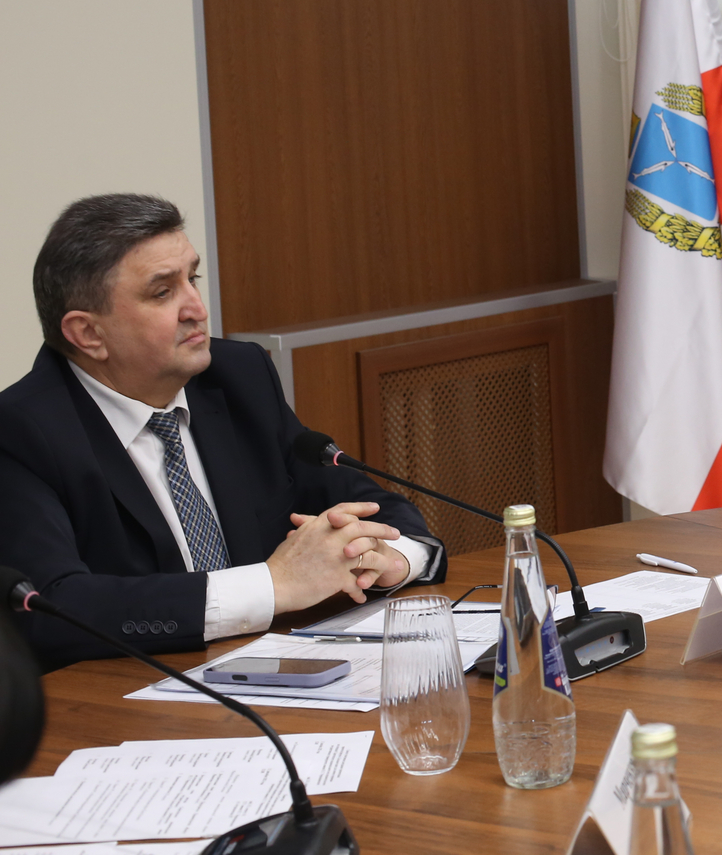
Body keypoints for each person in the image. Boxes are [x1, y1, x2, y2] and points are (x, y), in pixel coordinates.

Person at [0, 194, 445, 669]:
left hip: (279, 673)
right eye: (162, 293)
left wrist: (392, 558)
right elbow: (49, 608)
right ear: (88, 334)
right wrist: (272, 586)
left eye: (192, 279)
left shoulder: (238, 377)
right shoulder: (22, 431)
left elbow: (366, 504)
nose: (196, 308)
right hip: (131, 693)